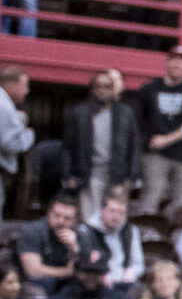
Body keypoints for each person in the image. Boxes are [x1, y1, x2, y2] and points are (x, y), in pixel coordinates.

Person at [138, 49, 182, 214]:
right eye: (173, 59)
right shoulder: (149, 89)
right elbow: (138, 120)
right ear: (167, 62)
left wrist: (167, 139)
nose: (177, 63)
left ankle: (178, 235)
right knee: (151, 197)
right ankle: (148, 234)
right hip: (155, 155)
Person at [61, 69, 144, 215]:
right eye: (99, 86)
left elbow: (134, 147)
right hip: (89, 175)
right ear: (92, 89)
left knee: (114, 219)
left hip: (117, 175)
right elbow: (68, 147)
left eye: (107, 87)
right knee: (89, 220)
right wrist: (68, 175)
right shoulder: (79, 113)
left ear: (113, 90)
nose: (103, 91)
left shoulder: (125, 113)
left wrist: (132, 176)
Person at [17, 193, 84, 299]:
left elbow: (84, 269)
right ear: (48, 213)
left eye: (67, 218)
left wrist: (74, 248)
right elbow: (33, 271)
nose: (60, 221)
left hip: (64, 284)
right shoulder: (32, 231)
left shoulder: (78, 234)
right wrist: (67, 272)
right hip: (35, 284)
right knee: (47, 283)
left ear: (74, 220)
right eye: (57, 215)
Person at [75, 186, 145, 284]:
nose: (116, 217)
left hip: (124, 282)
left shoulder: (131, 231)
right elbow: (83, 264)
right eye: (112, 211)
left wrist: (132, 272)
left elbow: (138, 264)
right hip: (97, 283)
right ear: (102, 210)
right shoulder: (87, 231)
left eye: (121, 213)